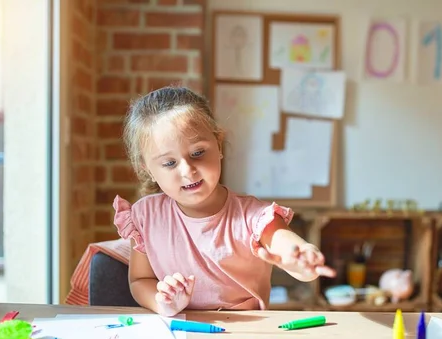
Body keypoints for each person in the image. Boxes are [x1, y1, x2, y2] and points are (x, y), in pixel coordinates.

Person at [113, 86, 336, 316]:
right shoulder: (144, 216)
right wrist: (164, 303)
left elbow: (290, 250)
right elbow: (140, 280)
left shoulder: (255, 216)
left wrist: (300, 261)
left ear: (218, 145)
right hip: (179, 329)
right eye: (169, 163)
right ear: (147, 169)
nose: (188, 171)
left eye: (198, 153)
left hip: (246, 335)